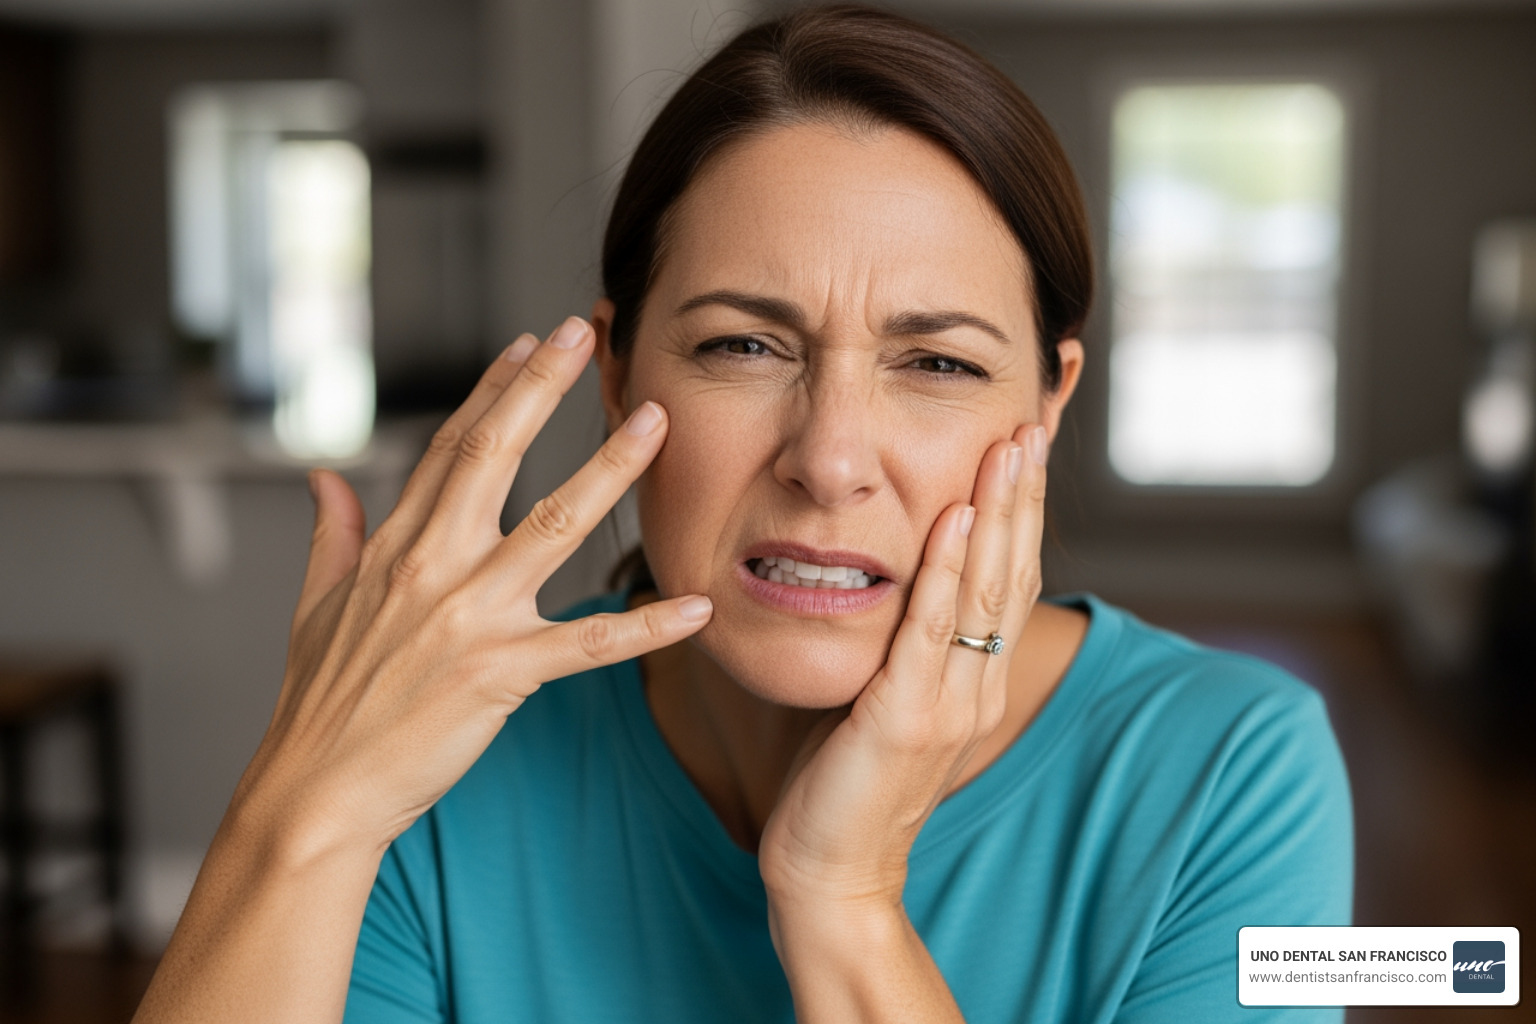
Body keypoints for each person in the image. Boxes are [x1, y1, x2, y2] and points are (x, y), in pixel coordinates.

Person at [131, 5, 1352, 1023]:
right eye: (744, 344)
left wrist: (843, 894)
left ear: (1050, 399)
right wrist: (309, 803)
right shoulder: (442, 762)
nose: (828, 460)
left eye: (935, 365)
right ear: (617, 376)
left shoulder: (1237, 769)